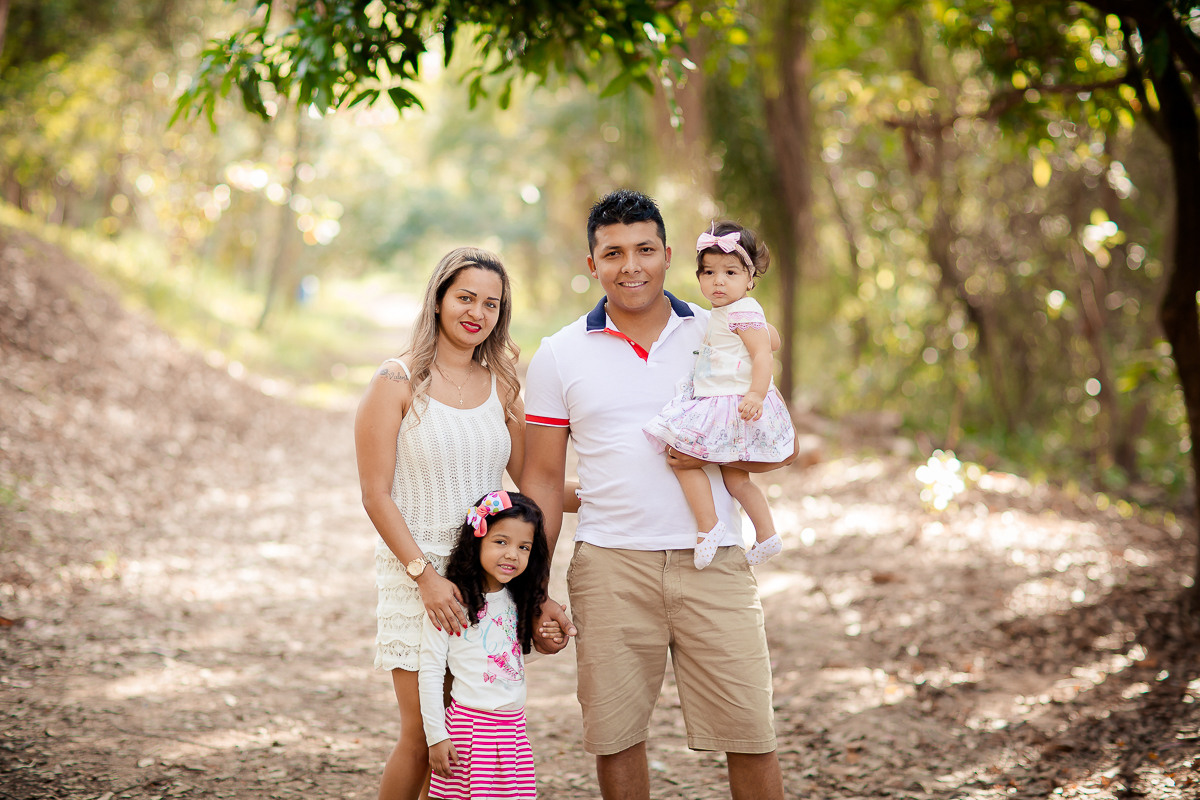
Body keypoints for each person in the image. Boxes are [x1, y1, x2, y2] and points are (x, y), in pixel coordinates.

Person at [523, 189, 796, 800]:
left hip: (717, 559)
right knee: (616, 737)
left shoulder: (720, 329)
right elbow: (541, 479)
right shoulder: (559, 355)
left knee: (750, 732)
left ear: (669, 255)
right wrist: (534, 588)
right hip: (609, 566)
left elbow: (773, 448)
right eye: (613, 253)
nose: (632, 266)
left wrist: (708, 454)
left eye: (645, 249)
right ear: (591, 264)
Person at [354, 247, 525, 800]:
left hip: (484, 580)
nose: (477, 312)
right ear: (439, 298)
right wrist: (424, 576)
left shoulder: (502, 384)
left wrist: (610, 492)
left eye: (491, 304)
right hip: (418, 579)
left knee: (466, 737)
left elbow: (532, 478)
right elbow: (376, 495)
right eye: (466, 297)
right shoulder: (396, 380)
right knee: (422, 735)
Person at [643, 221, 795, 570]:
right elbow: (770, 339)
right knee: (735, 478)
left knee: (679, 453)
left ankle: (708, 524)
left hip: (734, 402)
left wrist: (756, 394)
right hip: (724, 399)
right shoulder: (728, 313)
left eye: (730, 272)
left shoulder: (743, 310)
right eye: (709, 272)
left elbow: (762, 353)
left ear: (750, 278)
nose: (718, 281)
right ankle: (767, 533)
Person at [418, 490, 550, 800]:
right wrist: (436, 737)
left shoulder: (516, 599)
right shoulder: (453, 604)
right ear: (477, 540)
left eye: (523, 547)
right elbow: (431, 672)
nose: (512, 554)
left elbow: (508, 656)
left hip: (513, 731)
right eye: (501, 542)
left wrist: (544, 645)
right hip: (471, 732)